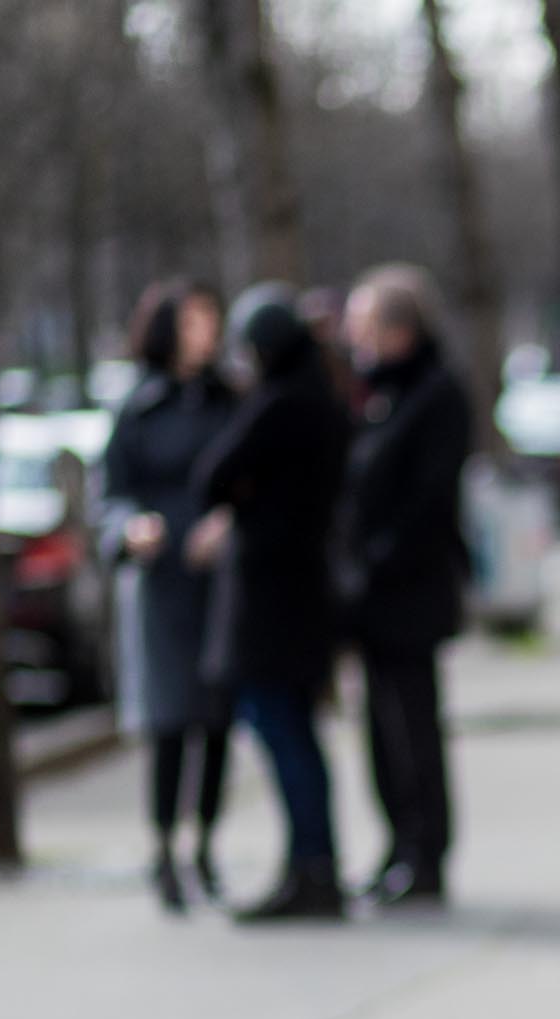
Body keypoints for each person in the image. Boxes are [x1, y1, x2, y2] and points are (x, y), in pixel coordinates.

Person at [192, 285, 353, 923]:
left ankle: (312, 867)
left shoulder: (282, 404)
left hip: (272, 599)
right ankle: (314, 864)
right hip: (301, 591)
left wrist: (242, 496)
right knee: (294, 733)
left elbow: (211, 473)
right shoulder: (321, 401)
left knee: (283, 730)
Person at [96, 278, 240, 912]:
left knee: (215, 721)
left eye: (209, 320)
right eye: (190, 321)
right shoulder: (137, 409)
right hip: (162, 582)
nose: (202, 332)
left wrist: (230, 522)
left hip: (218, 578)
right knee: (168, 720)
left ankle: (206, 843)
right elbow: (111, 492)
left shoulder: (230, 400)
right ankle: (163, 849)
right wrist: (130, 529)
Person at [337, 265, 475, 907]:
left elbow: (427, 496)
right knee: (379, 728)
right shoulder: (374, 391)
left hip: (409, 589)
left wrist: (379, 559)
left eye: (362, 325)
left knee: (413, 726)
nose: (351, 337)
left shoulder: (436, 393)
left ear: (397, 329)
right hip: (373, 590)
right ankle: (397, 845)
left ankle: (426, 853)